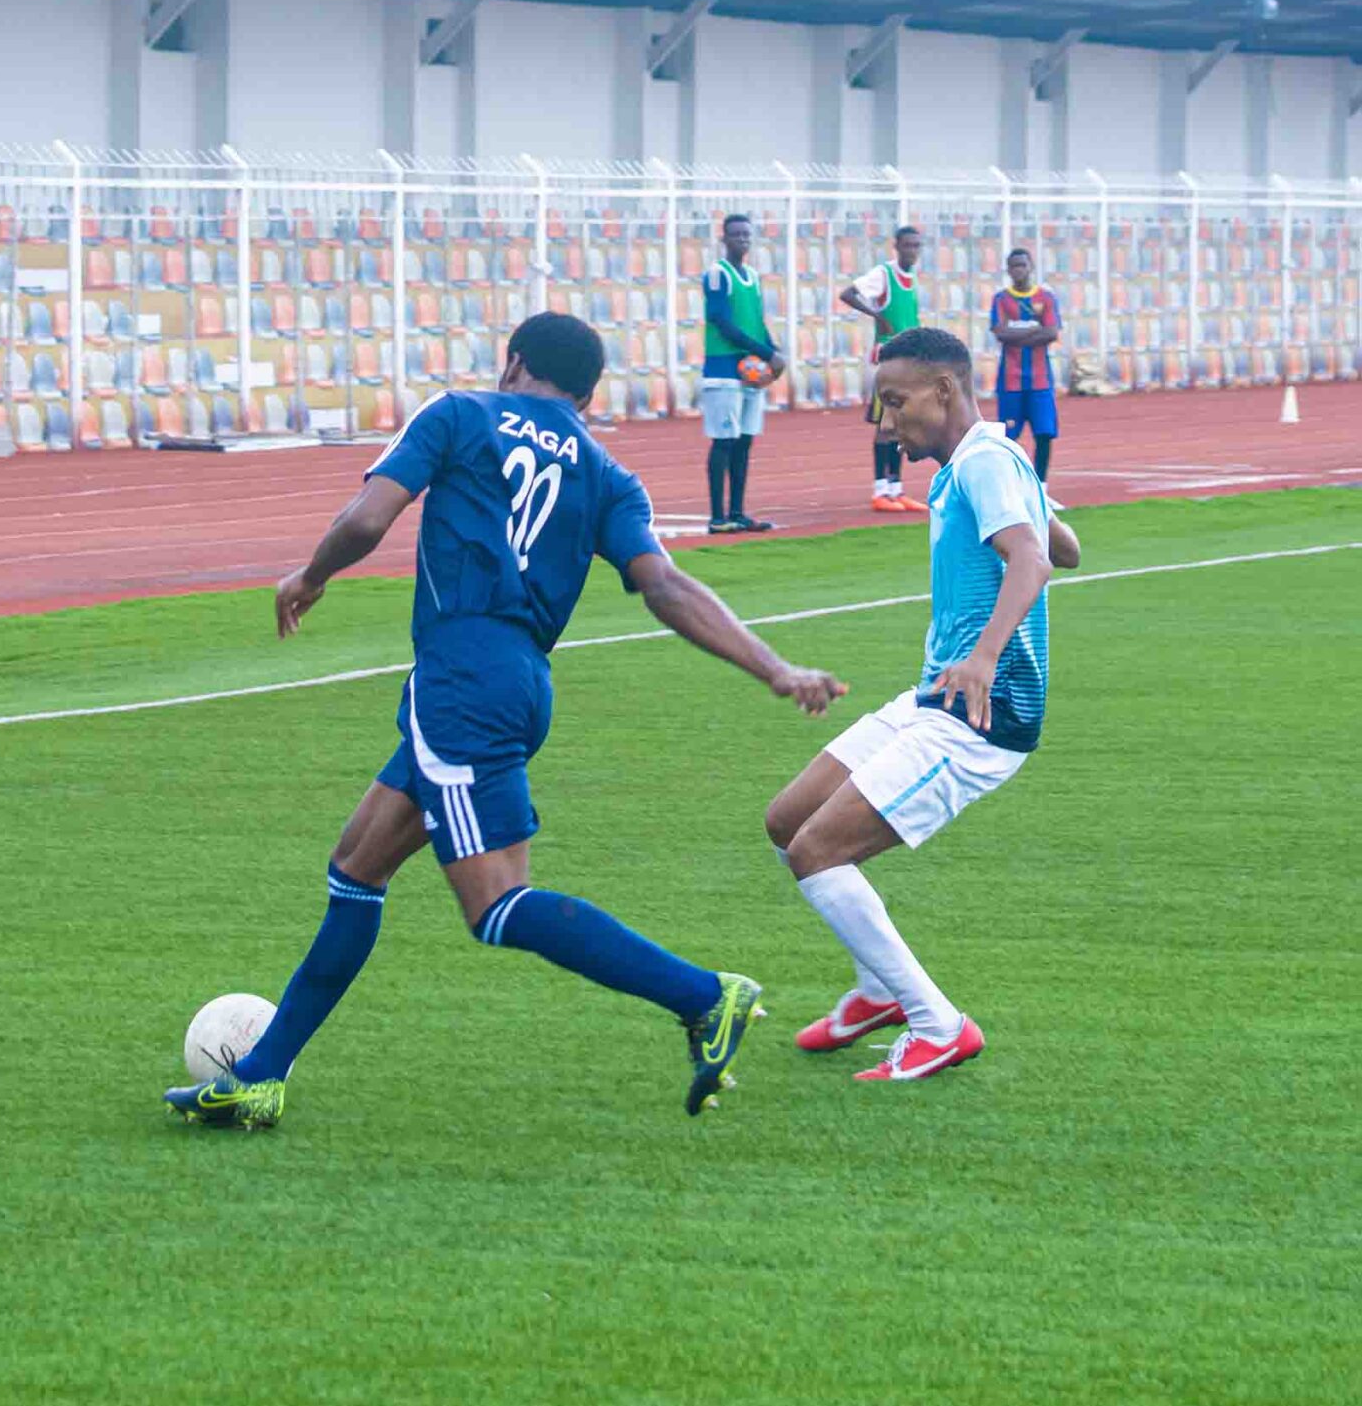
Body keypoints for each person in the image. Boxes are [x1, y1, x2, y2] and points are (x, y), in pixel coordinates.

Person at [166, 311, 847, 1132]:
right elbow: (665, 587)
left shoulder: (458, 413)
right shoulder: (606, 474)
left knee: (494, 904)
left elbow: (368, 519)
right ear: (588, 393)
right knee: (356, 867)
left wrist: (309, 575)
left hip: (461, 678)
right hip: (522, 680)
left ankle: (705, 996)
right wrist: (774, 668)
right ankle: (258, 1077)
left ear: (513, 361)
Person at [765, 326, 1081, 1084]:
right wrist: (1031, 505)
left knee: (817, 852)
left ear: (943, 391)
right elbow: (1063, 547)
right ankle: (877, 992)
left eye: (895, 401)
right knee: (786, 822)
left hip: (979, 713)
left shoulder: (983, 461)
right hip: (933, 695)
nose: (885, 422)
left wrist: (982, 656)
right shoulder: (979, 465)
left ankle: (938, 1025)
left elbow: (1034, 560)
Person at [700, 212, 785, 535]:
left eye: (747, 235)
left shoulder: (752, 275)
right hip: (723, 369)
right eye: (736, 235)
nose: (742, 240)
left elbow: (756, 321)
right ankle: (717, 517)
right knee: (723, 441)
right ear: (724, 238)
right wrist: (767, 354)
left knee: (745, 442)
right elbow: (722, 322)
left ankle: (737, 511)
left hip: (750, 372)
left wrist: (774, 353)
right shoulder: (716, 275)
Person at [839, 224, 924, 515]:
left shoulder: (911, 277)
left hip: (908, 361)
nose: (912, 250)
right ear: (896, 246)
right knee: (885, 427)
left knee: (901, 427)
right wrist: (877, 316)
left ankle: (896, 489)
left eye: (916, 245)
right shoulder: (883, 275)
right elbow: (848, 294)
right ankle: (879, 490)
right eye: (908, 245)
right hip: (888, 362)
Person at [990, 247, 1062, 483]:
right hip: (1010, 381)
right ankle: (1010, 485)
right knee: (1008, 437)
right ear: (1008, 270)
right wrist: (1034, 330)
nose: (1018, 270)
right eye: (1014, 266)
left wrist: (1017, 333)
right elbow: (1000, 333)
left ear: (1030, 267)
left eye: (1022, 265)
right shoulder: (1001, 299)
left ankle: (1041, 487)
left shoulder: (1046, 298)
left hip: (1040, 381)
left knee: (1044, 434)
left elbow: (1051, 332)